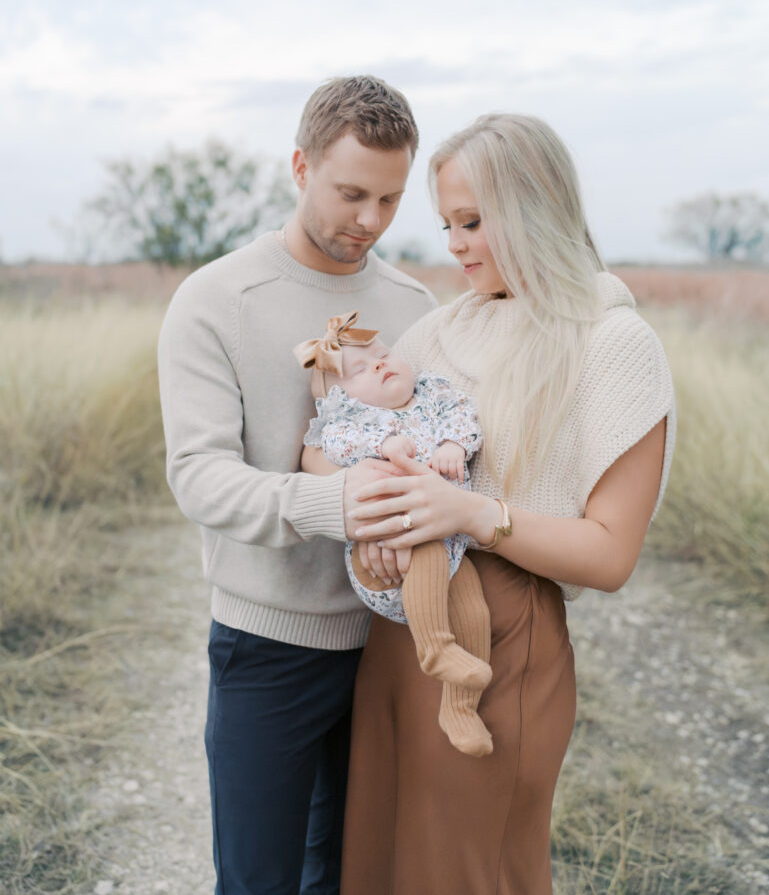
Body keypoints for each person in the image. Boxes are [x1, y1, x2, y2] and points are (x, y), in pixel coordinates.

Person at [339, 113, 677, 894]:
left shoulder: (612, 342)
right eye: (447, 222)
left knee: (468, 868)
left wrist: (471, 515)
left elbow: (611, 556)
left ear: (534, 211)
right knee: (382, 855)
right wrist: (375, 531)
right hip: (399, 630)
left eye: (473, 221)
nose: (453, 244)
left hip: (503, 642)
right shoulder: (432, 333)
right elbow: (353, 446)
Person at [157, 75, 436, 895]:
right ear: (298, 166)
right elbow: (199, 478)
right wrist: (338, 505)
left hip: (391, 645)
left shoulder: (416, 304)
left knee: (355, 876)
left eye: (390, 199)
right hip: (267, 647)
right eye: (352, 193)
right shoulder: (214, 299)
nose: (371, 221)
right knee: (257, 881)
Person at [294, 311, 494, 756]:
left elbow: (465, 416)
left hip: (449, 540)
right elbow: (334, 444)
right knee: (423, 550)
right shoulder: (354, 421)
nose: (380, 364)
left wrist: (453, 446)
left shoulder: (434, 394)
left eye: (382, 354)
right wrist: (381, 444)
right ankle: (435, 649)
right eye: (361, 369)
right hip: (385, 546)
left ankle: (460, 708)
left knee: (475, 613)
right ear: (342, 397)